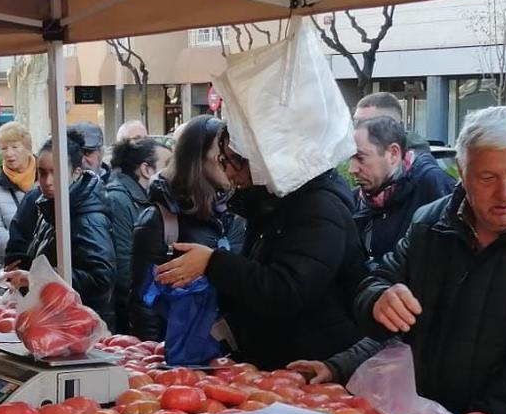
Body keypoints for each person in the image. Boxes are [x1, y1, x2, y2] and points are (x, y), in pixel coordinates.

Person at [294, 106, 506, 414]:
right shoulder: (430, 223)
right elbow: (379, 289)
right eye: (488, 178)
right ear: (462, 172)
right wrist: (376, 304)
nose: (505, 193)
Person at [153, 122, 365, 370]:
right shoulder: (270, 204)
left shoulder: (318, 207)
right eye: (222, 160)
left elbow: (286, 290)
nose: (228, 173)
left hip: (313, 364)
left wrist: (213, 263)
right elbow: (257, 282)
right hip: (274, 362)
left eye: (231, 161)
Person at [128, 115, 238, 341]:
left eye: (232, 158)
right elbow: (144, 304)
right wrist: (155, 358)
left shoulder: (238, 210)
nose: (229, 166)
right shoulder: (158, 220)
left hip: (233, 351)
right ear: (196, 160)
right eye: (220, 158)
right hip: (180, 356)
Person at [0, 131, 115, 315]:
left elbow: (100, 279)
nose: (47, 182)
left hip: (81, 323)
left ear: (76, 173)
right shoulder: (48, 205)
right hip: (54, 316)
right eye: (42, 173)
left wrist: (36, 277)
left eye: (56, 173)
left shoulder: (89, 218)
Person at [349, 113, 457, 265]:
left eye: (360, 158)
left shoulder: (435, 187)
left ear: (393, 154)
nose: (352, 169)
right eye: (350, 158)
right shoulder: (358, 199)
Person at [100, 136, 161, 329]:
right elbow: (125, 266)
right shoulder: (119, 200)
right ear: (146, 170)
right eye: (166, 164)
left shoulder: (141, 198)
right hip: (124, 315)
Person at [0, 122, 34, 257]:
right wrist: (25, 248)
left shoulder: (47, 179)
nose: (9, 153)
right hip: (13, 265)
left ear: (27, 148)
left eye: (15, 147)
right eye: (4, 148)